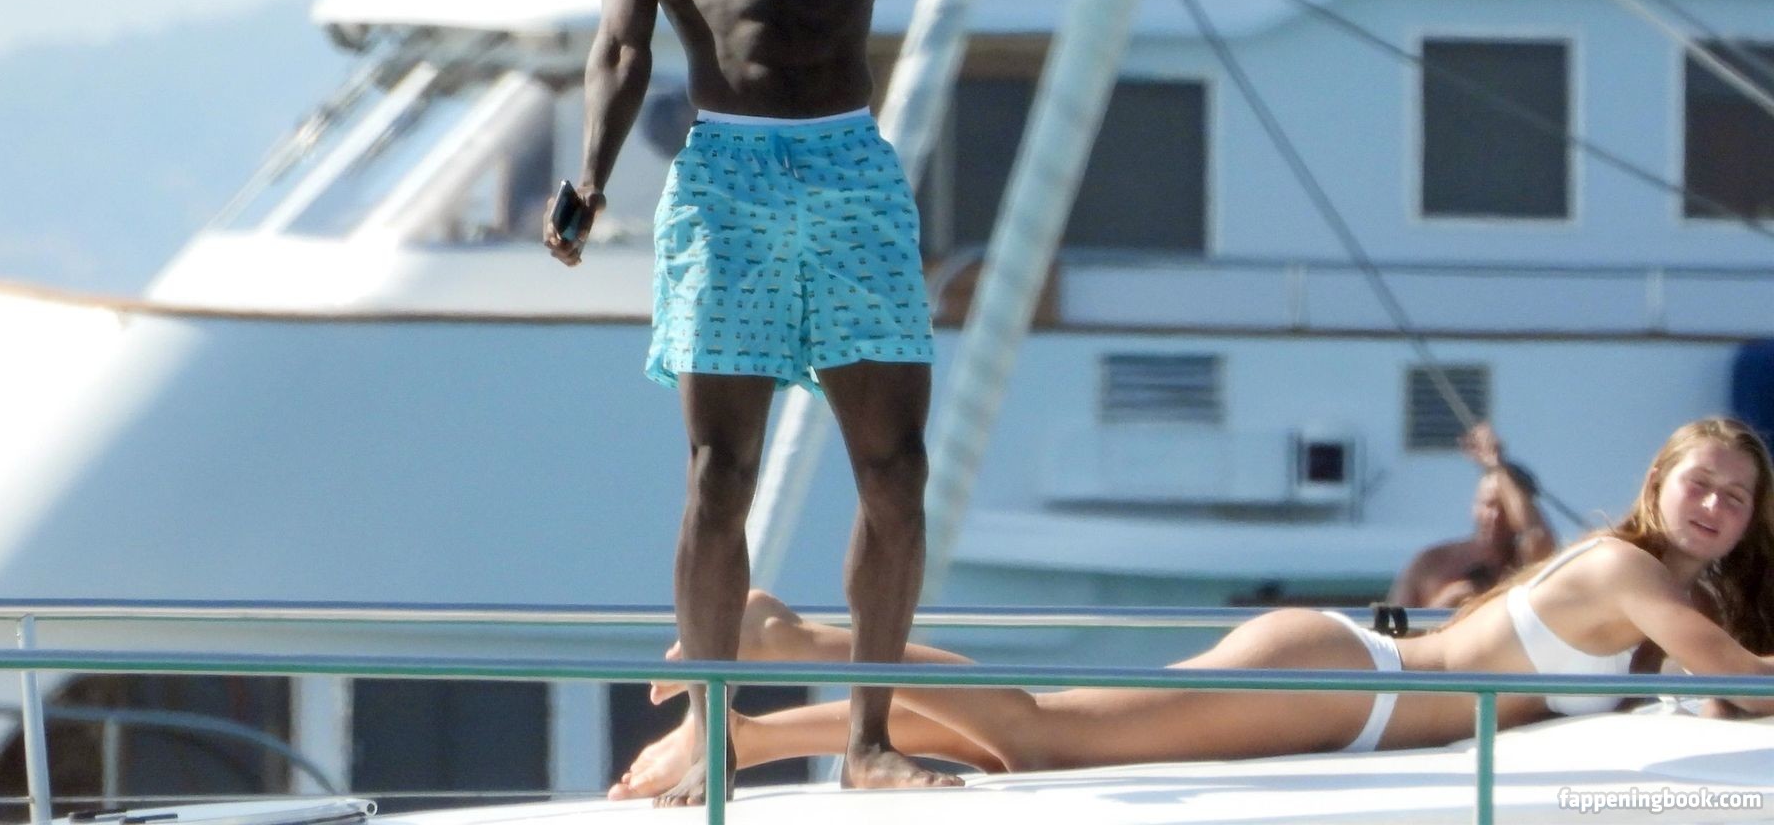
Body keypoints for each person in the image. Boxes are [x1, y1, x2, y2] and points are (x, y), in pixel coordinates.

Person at [544, 0, 966, 806]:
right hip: (727, 181)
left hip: (848, 167)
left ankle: (869, 740)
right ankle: (710, 726)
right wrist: (590, 176)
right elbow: (621, 45)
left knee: (895, 468)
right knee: (718, 471)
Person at [610, 417, 1774, 796]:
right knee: (1043, 733)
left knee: (1031, 743)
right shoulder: (1634, 573)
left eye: (1737, 495)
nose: (1716, 504)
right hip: (1350, 689)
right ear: (1659, 480)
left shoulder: (1644, 576)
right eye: (1703, 483)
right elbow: (1741, 680)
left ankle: (755, 731)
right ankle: (792, 635)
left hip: (1350, 677)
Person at [1388, 422, 1556, 609]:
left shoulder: (1525, 567)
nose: (1494, 516)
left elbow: (1537, 536)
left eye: (1505, 509)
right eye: (1488, 505)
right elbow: (1395, 622)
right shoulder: (1431, 563)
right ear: (1474, 505)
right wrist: (1445, 605)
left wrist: (1497, 465)